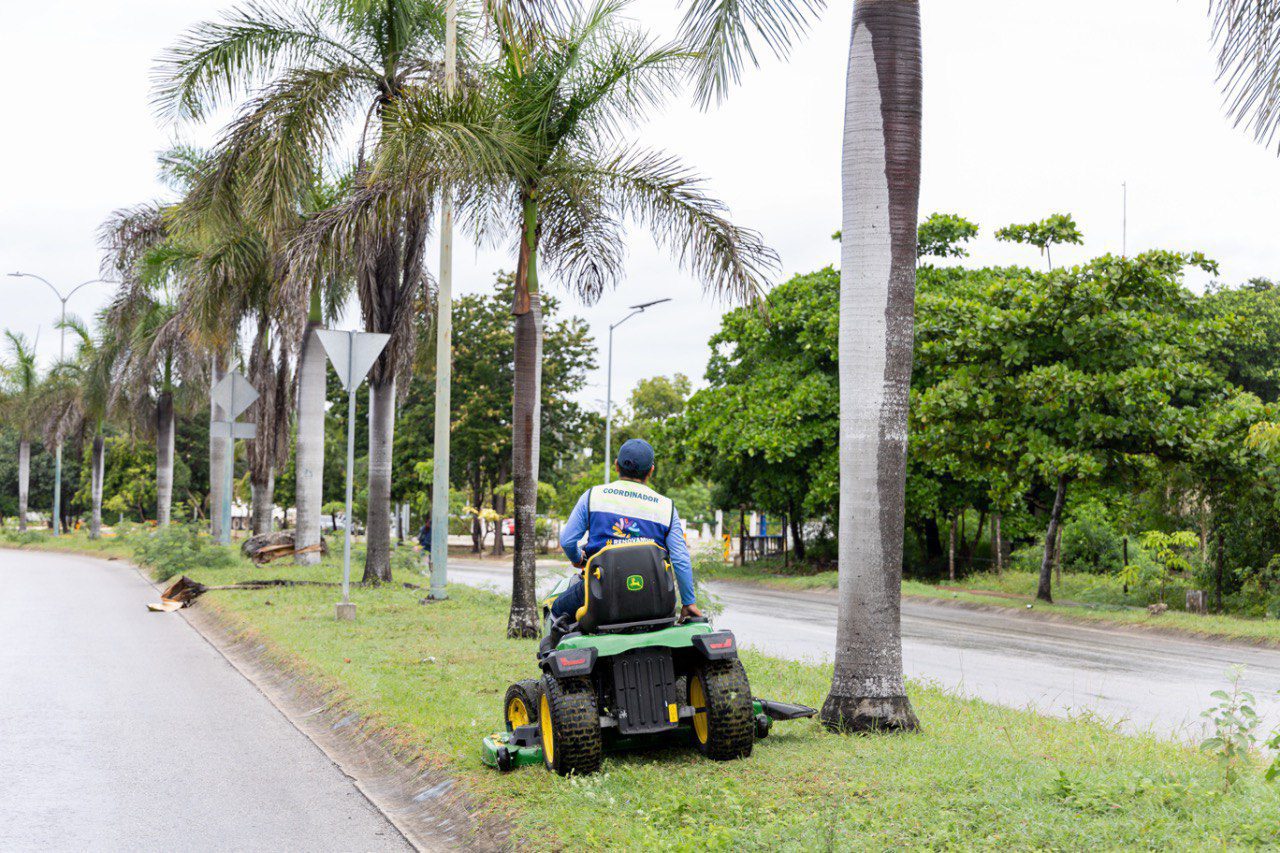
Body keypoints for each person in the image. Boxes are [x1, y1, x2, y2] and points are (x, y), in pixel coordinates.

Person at [554, 438, 702, 623]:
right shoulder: (667, 508)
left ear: (616, 465)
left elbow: (567, 541)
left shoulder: (592, 497)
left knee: (556, 609)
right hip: (654, 596)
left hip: (600, 593)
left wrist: (577, 558)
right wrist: (689, 602)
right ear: (651, 471)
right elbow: (680, 559)